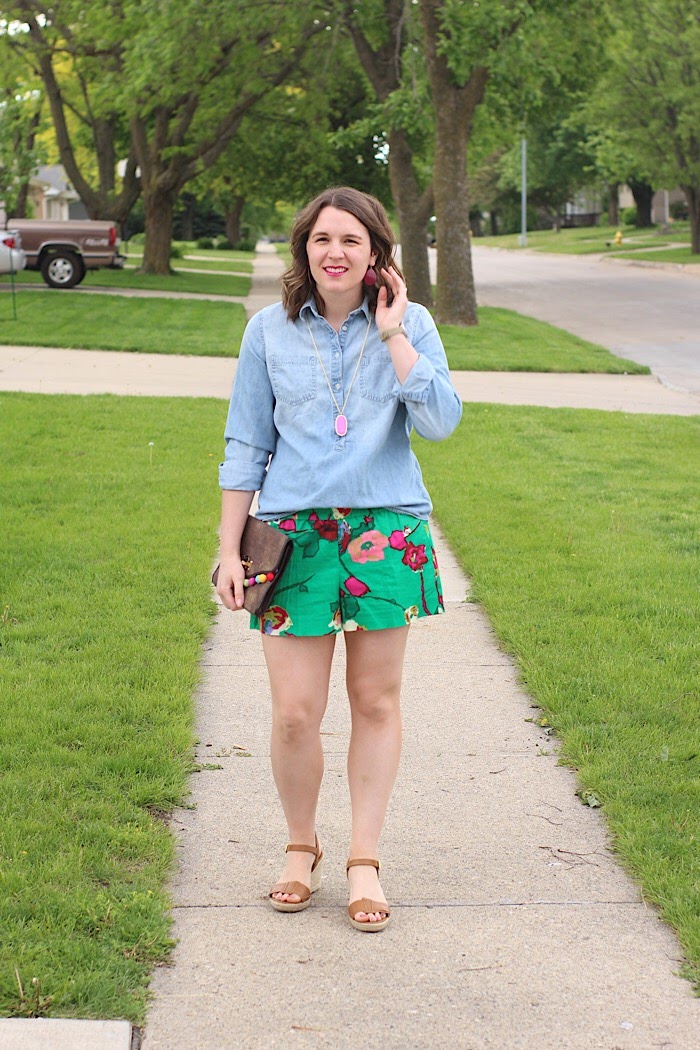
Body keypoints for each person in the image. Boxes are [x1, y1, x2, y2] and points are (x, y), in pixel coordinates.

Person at [216, 186, 462, 931]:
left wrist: (393, 335)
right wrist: (229, 547)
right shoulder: (268, 331)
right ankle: (300, 846)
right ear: (304, 250)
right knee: (295, 714)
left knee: (376, 701)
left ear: (376, 251)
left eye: (351, 240)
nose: (335, 252)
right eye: (322, 239)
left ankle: (363, 858)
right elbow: (246, 442)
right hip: (294, 537)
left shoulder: (411, 322)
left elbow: (442, 420)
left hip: (386, 531)